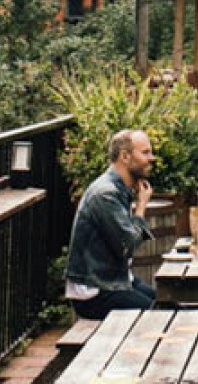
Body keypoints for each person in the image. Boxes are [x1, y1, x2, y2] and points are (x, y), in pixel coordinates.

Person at [63, 128, 157, 319]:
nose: (152, 158)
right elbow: (127, 245)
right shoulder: (106, 194)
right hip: (95, 292)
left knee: (168, 305)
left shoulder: (117, 188)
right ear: (125, 156)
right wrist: (141, 206)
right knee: (158, 318)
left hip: (113, 280)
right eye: (145, 152)